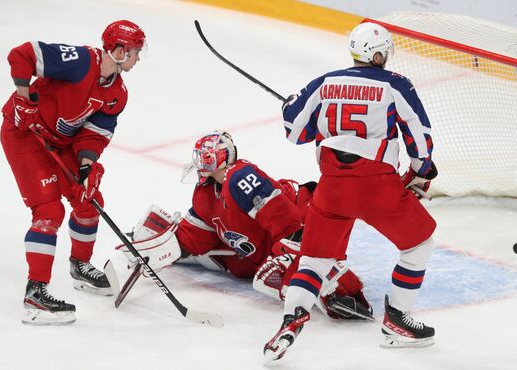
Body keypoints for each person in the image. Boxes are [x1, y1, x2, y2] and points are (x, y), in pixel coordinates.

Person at [263, 22, 438, 362]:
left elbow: (294, 132)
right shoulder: (394, 84)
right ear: (377, 54)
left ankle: (291, 319)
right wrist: (421, 170)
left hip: (332, 188)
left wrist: (289, 106)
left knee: (314, 261)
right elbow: (419, 134)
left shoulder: (325, 82)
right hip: (377, 187)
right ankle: (397, 322)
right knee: (419, 245)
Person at [115, 131, 373, 321]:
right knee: (230, 263)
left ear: (216, 158)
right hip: (260, 249)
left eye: (203, 158)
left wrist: (283, 259)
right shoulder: (205, 192)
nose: (199, 164)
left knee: (269, 278)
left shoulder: (240, 177)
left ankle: (334, 285)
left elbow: (291, 227)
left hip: (307, 223)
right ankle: (151, 229)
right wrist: (153, 251)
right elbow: (191, 239)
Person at [0, 20, 147, 325]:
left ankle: (80, 265)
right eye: (134, 52)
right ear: (118, 50)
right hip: (26, 135)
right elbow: (22, 54)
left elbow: (96, 132)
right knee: (49, 212)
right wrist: (23, 96)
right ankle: (35, 294)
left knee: (89, 201)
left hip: (60, 142)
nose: (137, 58)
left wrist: (86, 165)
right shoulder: (80, 61)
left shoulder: (117, 93)